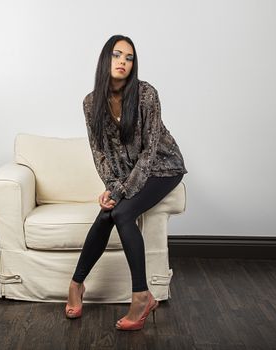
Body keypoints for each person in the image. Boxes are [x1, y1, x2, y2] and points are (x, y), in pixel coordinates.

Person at [64, 35, 188, 331]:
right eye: (117, 55)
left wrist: (120, 191)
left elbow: (149, 151)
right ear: (105, 59)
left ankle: (141, 296)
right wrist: (111, 185)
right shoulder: (91, 102)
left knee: (120, 212)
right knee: (110, 210)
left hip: (163, 167)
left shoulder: (146, 94)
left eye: (129, 58)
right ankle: (76, 284)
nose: (122, 62)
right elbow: (99, 152)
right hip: (130, 172)